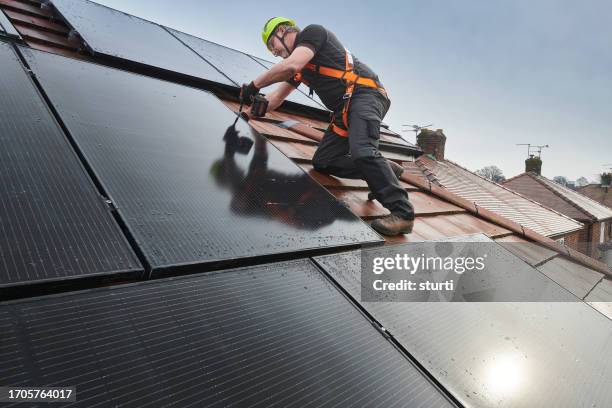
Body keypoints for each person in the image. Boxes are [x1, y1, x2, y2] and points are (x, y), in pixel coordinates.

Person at [240, 17, 415, 235]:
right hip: (344, 112)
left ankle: (403, 213)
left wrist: (255, 85)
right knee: (324, 162)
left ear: (283, 31)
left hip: (366, 95)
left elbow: (289, 65)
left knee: (363, 151)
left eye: (272, 45)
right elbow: (276, 98)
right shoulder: (300, 66)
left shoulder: (313, 33)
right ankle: (386, 170)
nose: (273, 52)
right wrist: (249, 113)